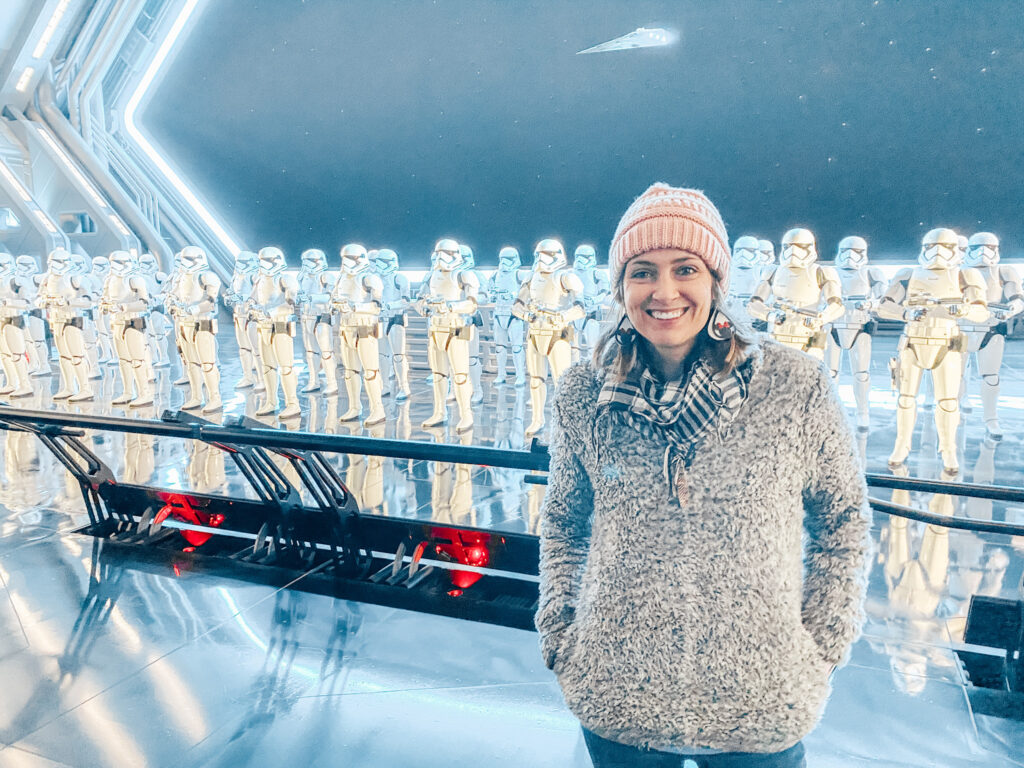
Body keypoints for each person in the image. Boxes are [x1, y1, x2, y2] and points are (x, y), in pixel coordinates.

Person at [535, 183, 872, 767]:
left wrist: (821, 643)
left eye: (684, 268)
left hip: (760, 702)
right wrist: (561, 632)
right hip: (621, 701)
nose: (664, 292)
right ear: (621, 287)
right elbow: (564, 521)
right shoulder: (583, 393)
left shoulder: (794, 386)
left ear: (716, 281)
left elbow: (842, 519)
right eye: (643, 272)